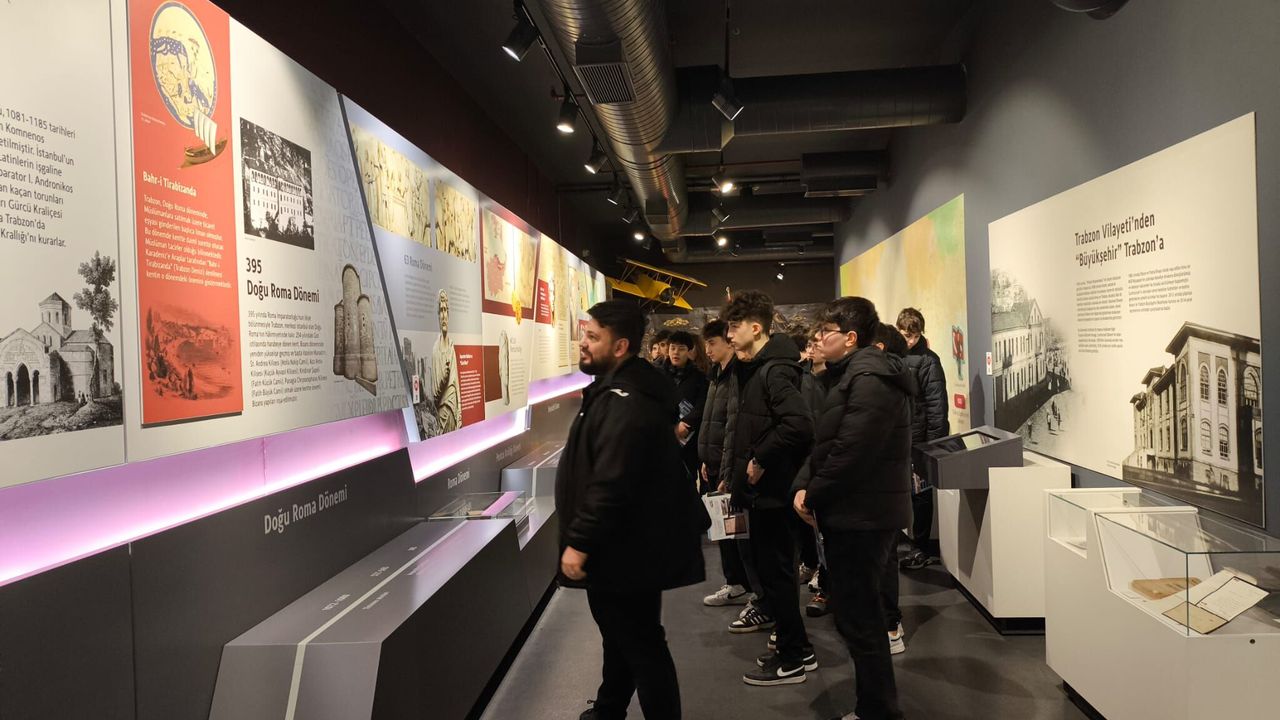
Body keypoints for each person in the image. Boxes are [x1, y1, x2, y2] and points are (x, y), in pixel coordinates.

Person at [555, 300, 709, 720]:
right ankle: (609, 709)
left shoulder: (626, 400)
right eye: (584, 334)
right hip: (624, 545)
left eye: (593, 337)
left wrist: (579, 542)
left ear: (620, 346)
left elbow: (613, 478)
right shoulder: (621, 390)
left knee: (642, 644)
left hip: (624, 547)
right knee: (622, 635)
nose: (583, 343)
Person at [794, 297, 915, 720]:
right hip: (856, 512)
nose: (817, 339)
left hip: (864, 516)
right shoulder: (852, 376)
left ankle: (878, 710)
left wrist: (813, 494)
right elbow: (828, 443)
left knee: (861, 619)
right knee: (856, 617)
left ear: (849, 337)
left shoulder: (869, 379)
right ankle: (875, 707)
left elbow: (851, 452)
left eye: (825, 331)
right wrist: (805, 485)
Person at [719, 290, 816, 686]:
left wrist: (759, 458)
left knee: (776, 576)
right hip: (765, 493)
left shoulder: (774, 370)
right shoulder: (759, 367)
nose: (729, 334)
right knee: (773, 574)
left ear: (756, 328)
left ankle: (792, 659)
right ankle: (799, 649)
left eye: (734, 326)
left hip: (773, 493)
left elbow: (799, 425)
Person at [698, 319, 754, 607]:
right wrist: (706, 460)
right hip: (714, 463)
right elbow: (711, 420)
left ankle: (748, 587)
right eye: (706, 343)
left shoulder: (736, 375)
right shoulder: (716, 374)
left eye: (712, 343)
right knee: (723, 530)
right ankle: (735, 583)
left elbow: (733, 424)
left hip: (728, 465)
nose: (707, 349)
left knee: (738, 533)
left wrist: (726, 467)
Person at [896, 307, 949, 570]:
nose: (909, 340)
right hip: (899, 436)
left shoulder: (929, 361)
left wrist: (933, 444)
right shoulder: (893, 356)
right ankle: (907, 544)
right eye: (905, 334)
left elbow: (936, 405)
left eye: (914, 335)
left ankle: (920, 547)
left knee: (921, 495)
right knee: (902, 492)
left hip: (919, 440)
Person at [667, 330, 709, 488]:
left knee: (687, 482)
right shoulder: (658, 374)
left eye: (681, 349)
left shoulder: (699, 376)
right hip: (664, 436)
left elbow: (703, 404)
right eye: (672, 348)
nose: (675, 352)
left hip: (689, 438)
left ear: (689, 351)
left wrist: (686, 423)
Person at [430, 289, 461, 435]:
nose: (443, 316)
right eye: (441, 311)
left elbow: (456, 382)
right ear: (438, 316)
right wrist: (444, 376)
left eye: (445, 311)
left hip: (453, 409)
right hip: (443, 409)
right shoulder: (436, 349)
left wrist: (459, 411)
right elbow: (435, 394)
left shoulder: (451, 346)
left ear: (448, 314)